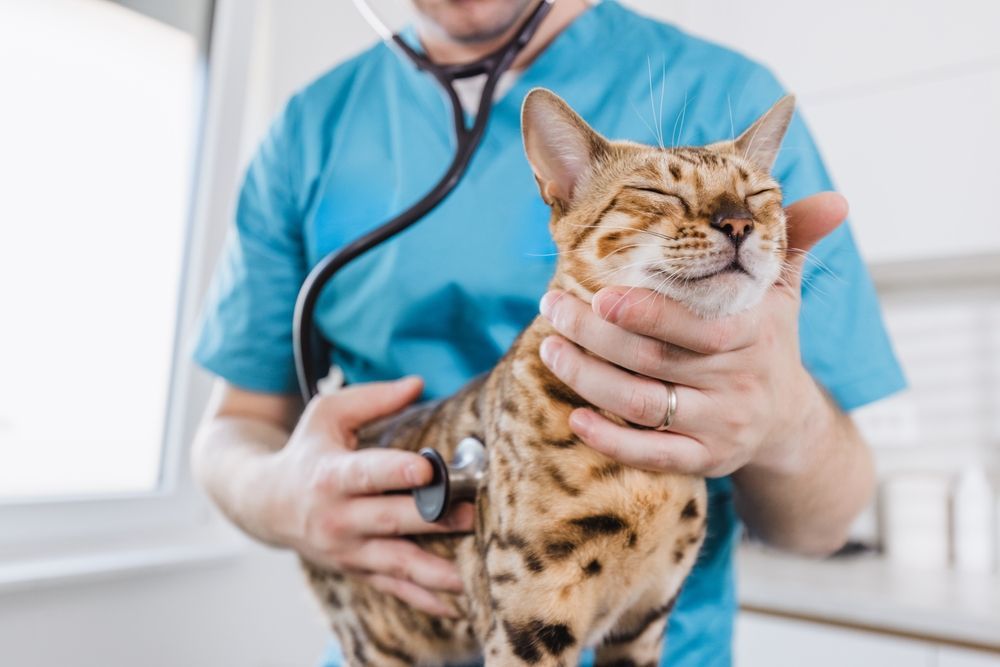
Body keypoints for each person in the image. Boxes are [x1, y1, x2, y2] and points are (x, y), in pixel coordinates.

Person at [190, 1, 905, 665]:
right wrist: (277, 494)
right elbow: (234, 424)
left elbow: (826, 522)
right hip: (394, 633)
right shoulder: (309, 129)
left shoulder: (723, 88)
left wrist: (784, 421)